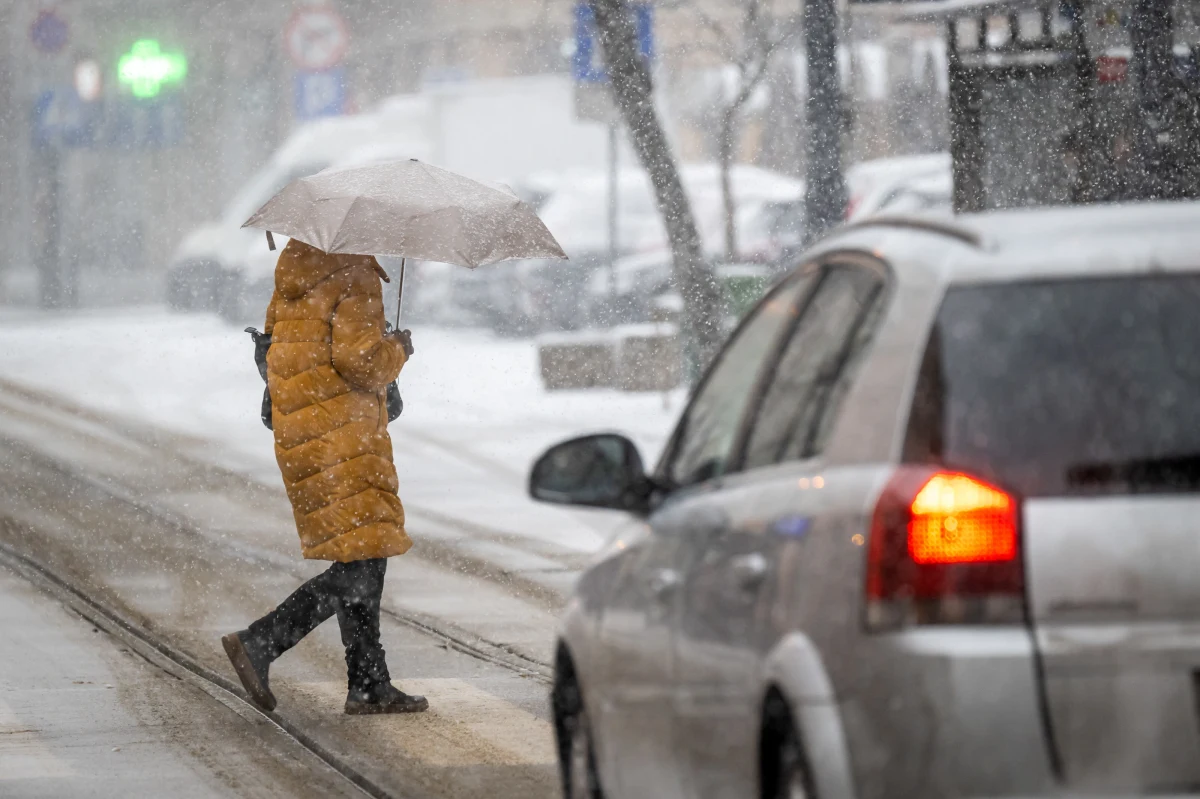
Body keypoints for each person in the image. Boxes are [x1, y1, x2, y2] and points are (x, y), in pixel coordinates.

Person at [222, 239, 427, 716]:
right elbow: (361, 362)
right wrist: (397, 348)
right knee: (362, 564)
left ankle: (369, 683)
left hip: (304, 433)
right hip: (344, 436)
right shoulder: (355, 275)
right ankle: (261, 642)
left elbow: (277, 348)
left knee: (361, 555)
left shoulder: (296, 268)